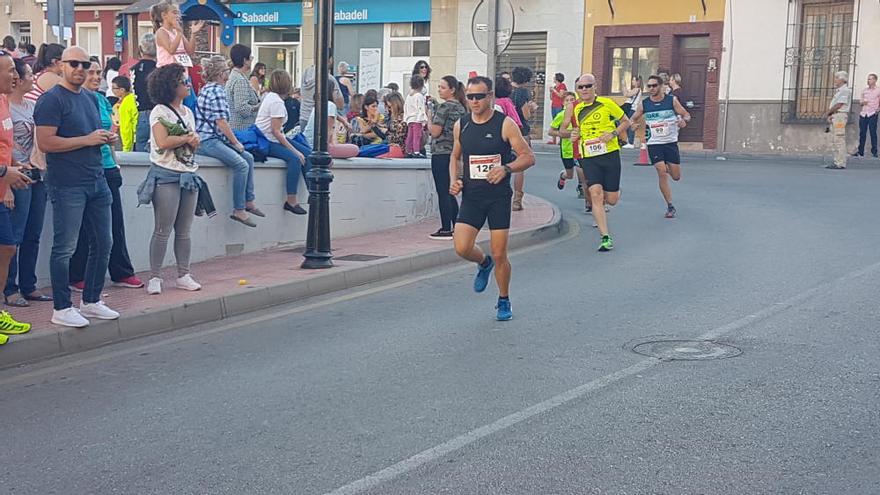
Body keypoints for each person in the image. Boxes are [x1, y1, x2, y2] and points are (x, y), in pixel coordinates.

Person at [34, 46, 121, 328]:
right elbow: (46, 143)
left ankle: (92, 301)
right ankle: (61, 307)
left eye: (86, 64)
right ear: (61, 65)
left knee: (104, 242)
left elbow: (90, 135)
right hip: (67, 184)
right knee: (65, 247)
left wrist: (104, 138)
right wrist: (87, 139)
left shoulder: (91, 98)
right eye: (74, 64)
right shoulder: (51, 100)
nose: (81, 69)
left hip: (96, 179)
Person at [449, 76, 535, 321]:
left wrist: (506, 169)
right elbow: (455, 157)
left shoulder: (505, 124)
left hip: (497, 198)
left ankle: (504, 299)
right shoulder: (461, 125)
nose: (474, 101)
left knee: (500, 254)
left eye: (479, 96)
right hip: (472, 197)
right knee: (462, 247)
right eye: (470, 96)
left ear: (490, 97)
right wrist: (454, 180)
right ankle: (482, 262)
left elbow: (528, 157)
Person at [68, 61, 143, 293]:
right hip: (85, 169)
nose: (94, 76)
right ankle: (77, 274)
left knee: (115, 222)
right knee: (84, 226)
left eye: (98, 72)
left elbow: (111, 131)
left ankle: (121, 271)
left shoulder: (101, 99)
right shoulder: (74, 99)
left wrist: (116, 162)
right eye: (90, 72)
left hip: (108, 166)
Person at [140, 63, 204, 295]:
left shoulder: (188, 112)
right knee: (162, 228)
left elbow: (188, 146)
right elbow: (163, 141)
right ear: (171, 86)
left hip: (187, 173)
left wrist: (191, 142)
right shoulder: (159, 111)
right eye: (182, 80)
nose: (188, 84)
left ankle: (183, 274)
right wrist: (188, 138)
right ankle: (155, 276)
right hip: (166, 175)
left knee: (184, 229)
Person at [564, 73, 631, 252]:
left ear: (595, 87)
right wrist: (572, 134)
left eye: (588, 86)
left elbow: (626, 121)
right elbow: (568, 130)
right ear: (577, 90)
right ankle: (605, 236)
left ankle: (614, 191)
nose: (584, 90)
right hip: (588, 156)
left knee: (612, 199)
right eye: (581, 87)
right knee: (595, 193)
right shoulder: (575, 108)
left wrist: (613, 134)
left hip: (609, 153)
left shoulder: (607, 103)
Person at [195, 54, 261, 227]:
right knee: (242, 164)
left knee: (249, 158)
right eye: (226, 70)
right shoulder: (216, 91)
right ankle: (239, 209)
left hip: (211, 137)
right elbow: (221, 122)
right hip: (209, 139)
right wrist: (235, 143)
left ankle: (249, 200)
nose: (228, 72)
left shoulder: (208, 88)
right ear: (220, 73)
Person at [5, 59, 48, 318]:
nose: (33, 78)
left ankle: (28, 284)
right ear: (18, 80)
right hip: (16, 176)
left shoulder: (32, 106)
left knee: (33, 232)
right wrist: (6, 186)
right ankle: (10, 288)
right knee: (15, 235)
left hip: (37, 174)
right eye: (29, 74)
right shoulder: (5, 108)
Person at [630, 75, 691, 219]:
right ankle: (670, 205)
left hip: (670, 142)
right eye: (649, 86)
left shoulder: (672, 100)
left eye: (654, 86)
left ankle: (669, 169)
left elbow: (686, 114)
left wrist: (683, 120)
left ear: (661, 86)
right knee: (661, 171)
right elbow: (632, 118)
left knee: (676, 176)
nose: (651, 89)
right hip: (654, 143)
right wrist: (632, 124)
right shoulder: (645, 104)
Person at [255, 69, 309, 215]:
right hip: (266, 141)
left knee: (309, 154)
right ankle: (291, 200)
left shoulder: (271, 97)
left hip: (270, 137)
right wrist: (295, 151)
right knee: (294, 159)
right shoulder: (276, 102)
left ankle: (313, 192)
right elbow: (276, 131)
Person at [428, 75, 466, 240]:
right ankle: (457, 224)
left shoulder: (444, 108)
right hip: (456, 153)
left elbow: (435, 131)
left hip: (441, 152)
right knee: (451, 190)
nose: (439, 90)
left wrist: (429, 117)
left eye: (442, 87)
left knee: (443, 191)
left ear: (452, 90)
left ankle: (445, 227)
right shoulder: (462, 108)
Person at [152, 0, 204, 111]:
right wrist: (179, 32)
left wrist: (193, 33)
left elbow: (190, 50)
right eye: (174, 13)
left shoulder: (177, 33)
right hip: (169, 76)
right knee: (174, 107)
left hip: (184, 74)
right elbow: (171, 49)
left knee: (190, 105)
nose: (177, 16)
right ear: (164, 15)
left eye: (178, 13)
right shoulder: (161, 32)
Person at [550, 91, 589, 207]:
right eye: (567, 100)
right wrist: (567, 134)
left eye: (572, 100)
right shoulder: (561, 115)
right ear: (563, 103)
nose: (570, 102)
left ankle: (586, 196)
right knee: (570, 175)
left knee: (582, 172)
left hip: (578, 150)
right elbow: (551, 131)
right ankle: (563, 176)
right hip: (567, 150)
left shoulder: (580, 113)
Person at [303, 81, 359, 159]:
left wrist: (344, 122)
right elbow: (328, 131)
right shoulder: (331, 105)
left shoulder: (319, 105)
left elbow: (334, 115)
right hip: (319, 147)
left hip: (307, 142)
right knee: (355, 149)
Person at [510, 67, 536, 211]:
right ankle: (517, 200)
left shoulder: (506, 90)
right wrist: (532, 108)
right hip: (521, 131)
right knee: (519, 166)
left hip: (505, 130)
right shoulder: (523, 93)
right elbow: (526, 115)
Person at [131, 33, 158, 153]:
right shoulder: (159, 69)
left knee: (140, 152)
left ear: (141, 49)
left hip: (140, 113)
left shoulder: (134, 69)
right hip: (157, 112)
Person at [225, 44, 261, 131]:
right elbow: (242, 108)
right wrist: (258, 107)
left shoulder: (234, 75)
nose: (252, 60)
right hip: (241, 129)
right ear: (245, 60)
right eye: (250, 57)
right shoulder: (240, 80)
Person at [299, 64, 344, 132]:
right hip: (321, 122)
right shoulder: (329, 79)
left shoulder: (305, 74)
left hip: (304, 116)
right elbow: (340, 105)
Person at [826, 71, 852, 170]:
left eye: (837, 78)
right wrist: (831, 115)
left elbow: (839, 104)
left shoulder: (845, 90)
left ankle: (840, 162)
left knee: (839, 138)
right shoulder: (840, 90)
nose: (835, 80)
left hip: (840, 117)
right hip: (836, 116)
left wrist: (829, 112)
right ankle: (837, 161)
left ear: (842, 79)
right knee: (836, 139)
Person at [854, 73, 879, 158]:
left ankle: (874, 152)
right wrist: (862, 102)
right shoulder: (865, 90)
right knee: (862, 133)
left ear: (875, 80)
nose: (868, 81)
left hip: (872, 113)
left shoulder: (878, 90)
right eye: (868, 79)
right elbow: (861, 102)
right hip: (863, 113)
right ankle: (860, 151)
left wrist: (878, 110)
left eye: (870, 79)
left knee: (873, 133)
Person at [112, 75, 138, 152]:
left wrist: (126, 149)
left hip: (134, 139)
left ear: (122, 90)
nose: (112, 90)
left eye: (114, 88)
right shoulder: (133, 98)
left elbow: (126, 128)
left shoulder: (125, 105)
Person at [404, 75, 428, 158]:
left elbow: (406, 107)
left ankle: (408, 150)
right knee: (417, 136)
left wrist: (406, 118)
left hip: (410, 119)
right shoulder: (419, 96)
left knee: (410, 136)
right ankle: (416, 151)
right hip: (417, 119)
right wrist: (423, 120)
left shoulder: (409, 96)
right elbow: (420, 108)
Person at [622, 75, 643, 148]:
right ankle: (629, 141)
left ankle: (631, 142)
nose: (632, 82)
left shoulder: (637, 89)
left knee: (630, 124)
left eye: (633, 80)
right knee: (628, 124)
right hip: (631, 109)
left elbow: (626, 95)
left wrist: (624, 85)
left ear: (637, 81)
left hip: (632, 109)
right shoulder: (635, 89)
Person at [547, 73, 567, 144]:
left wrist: (554, 91)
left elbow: (561, 95)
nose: (553, 79)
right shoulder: (555, 87)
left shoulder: (562, 86)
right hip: (554, 105)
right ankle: (554, 140)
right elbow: (551, 98)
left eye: (554, 77)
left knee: (560, 122)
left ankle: (561, 139)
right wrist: (551, 92)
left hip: (559, 105)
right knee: (554, 122)